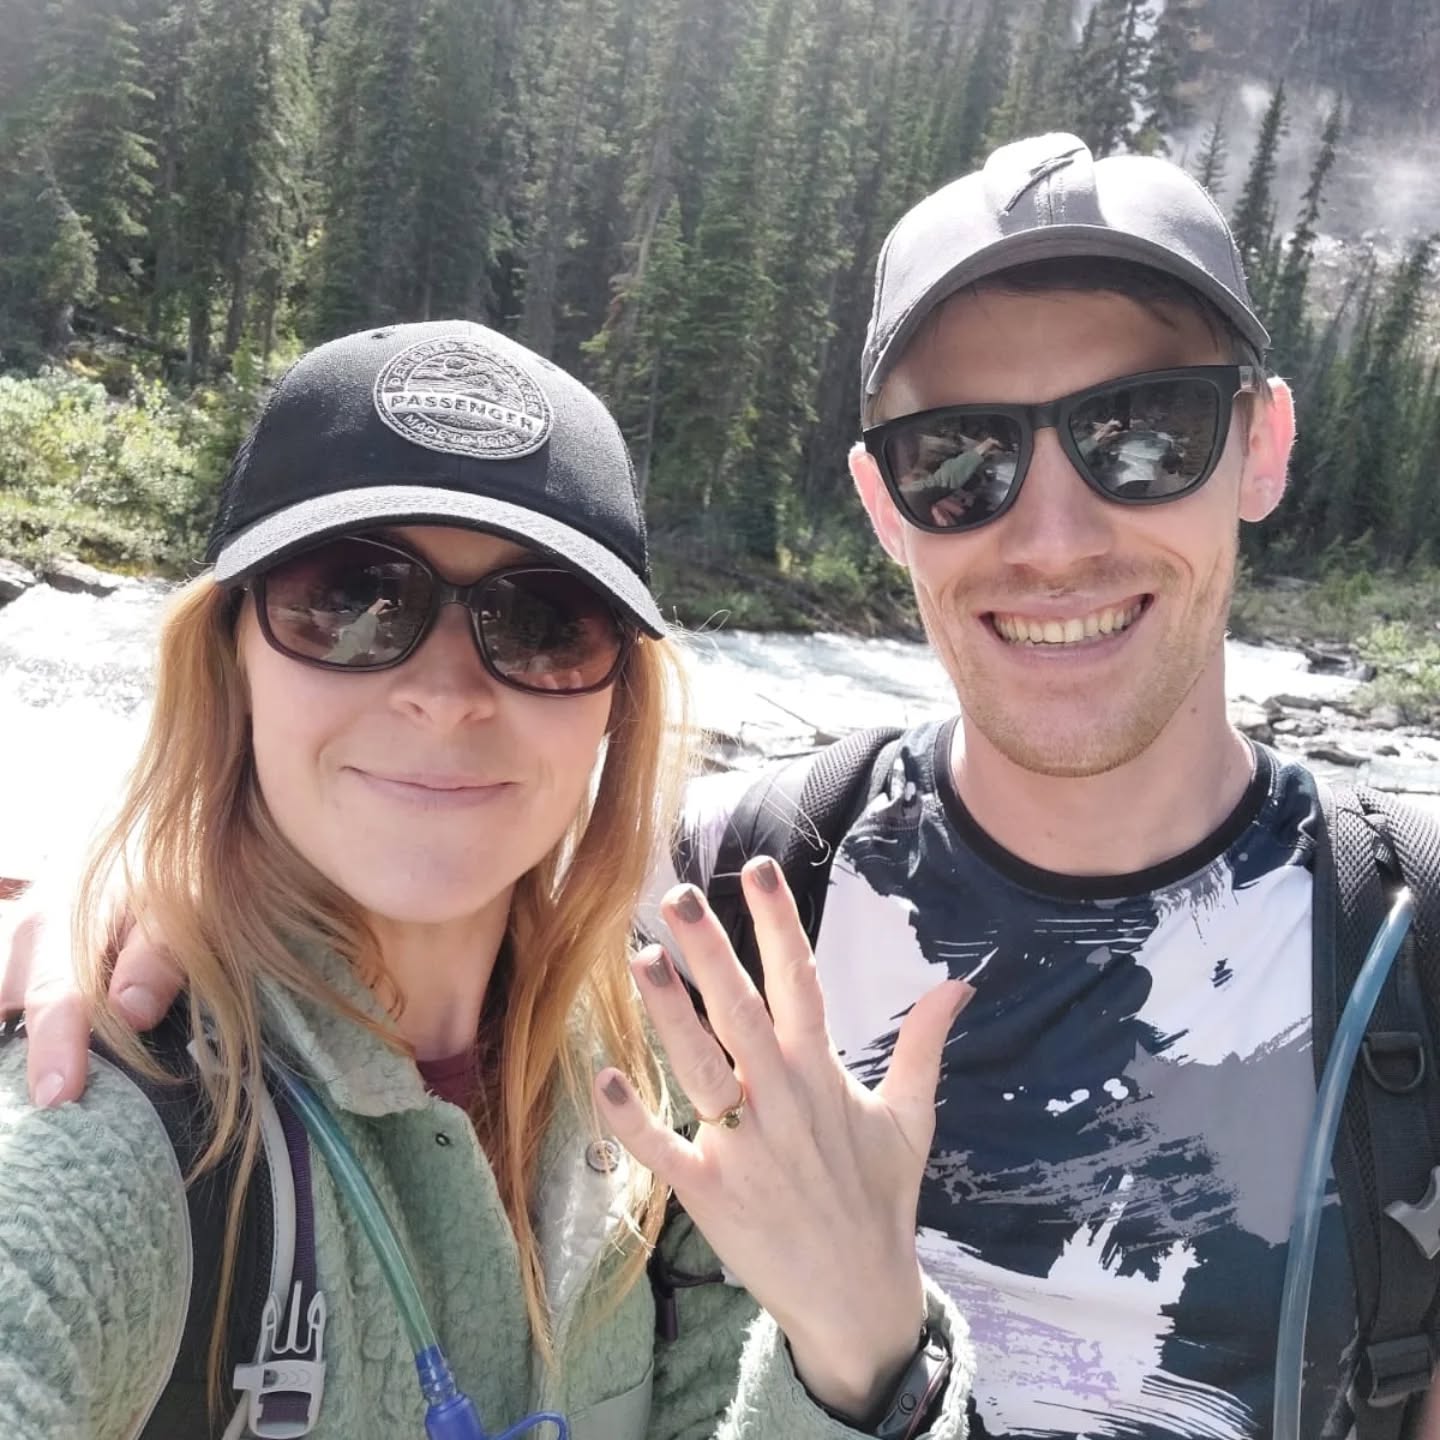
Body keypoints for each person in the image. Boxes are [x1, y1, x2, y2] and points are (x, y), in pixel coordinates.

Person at [8, 136, 1440, 1439]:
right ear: (885, 505)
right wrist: (121, 893)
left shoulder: (1415, 940)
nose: (1053, 535)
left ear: (1259, 444)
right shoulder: (737, 901)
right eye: (960, 461)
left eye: (1144, 433)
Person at [0, 319, 975, 1440]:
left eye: (542, 621)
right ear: (232, 656)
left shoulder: (665, 1092)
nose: (448, 691)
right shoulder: (110, 1119)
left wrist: (865, 1356)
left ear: (617, 697)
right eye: (350, 598)